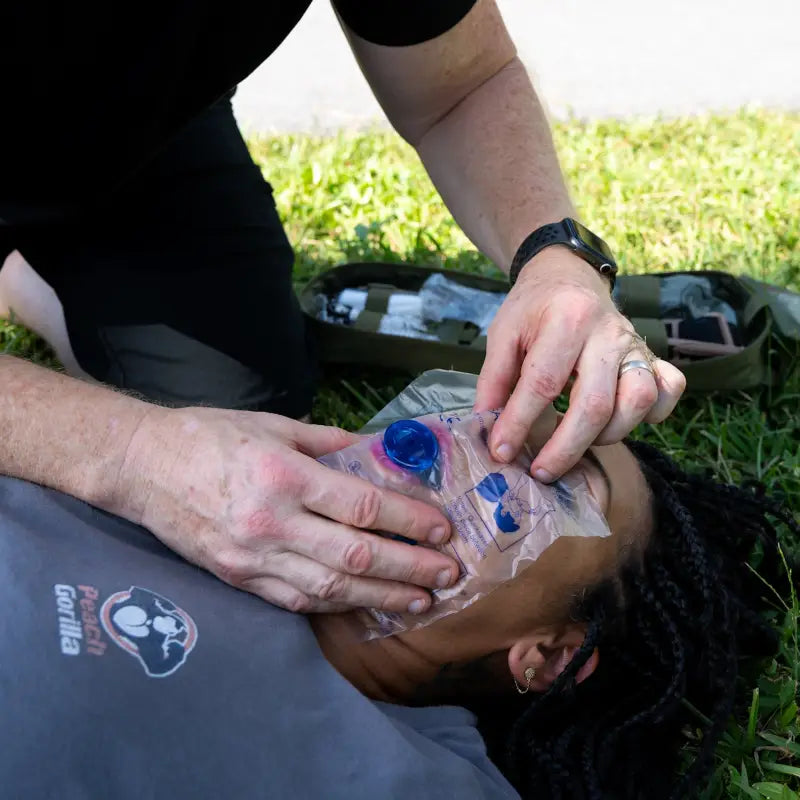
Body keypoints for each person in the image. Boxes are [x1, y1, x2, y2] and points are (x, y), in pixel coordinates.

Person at [0, 0, 686, 615]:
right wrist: (133, 451)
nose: (487, 466)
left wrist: (554, 254)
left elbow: (461, 83)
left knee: (241, 405)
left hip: (133, 130)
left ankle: (20, 274)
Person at [0, 427, 792, 799]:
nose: (484, 448)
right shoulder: (201, 471)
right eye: (502, 420)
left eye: (553, 486)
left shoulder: (411, 778)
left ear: (548, 658)